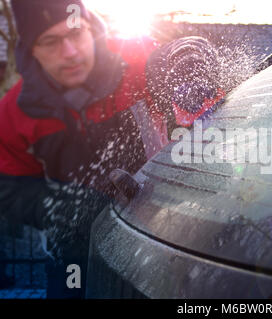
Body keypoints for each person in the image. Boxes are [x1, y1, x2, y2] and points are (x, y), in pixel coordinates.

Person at [0, 0, 224, 298]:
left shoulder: (131, 57)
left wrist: (187, 55)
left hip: (158, 240)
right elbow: (10, 189)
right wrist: (57, 206)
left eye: (75, 33)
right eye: (51, 42)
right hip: (74, 260)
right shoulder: (13, 114)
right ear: (31, 49)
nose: (70, 52)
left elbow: (165, 59)